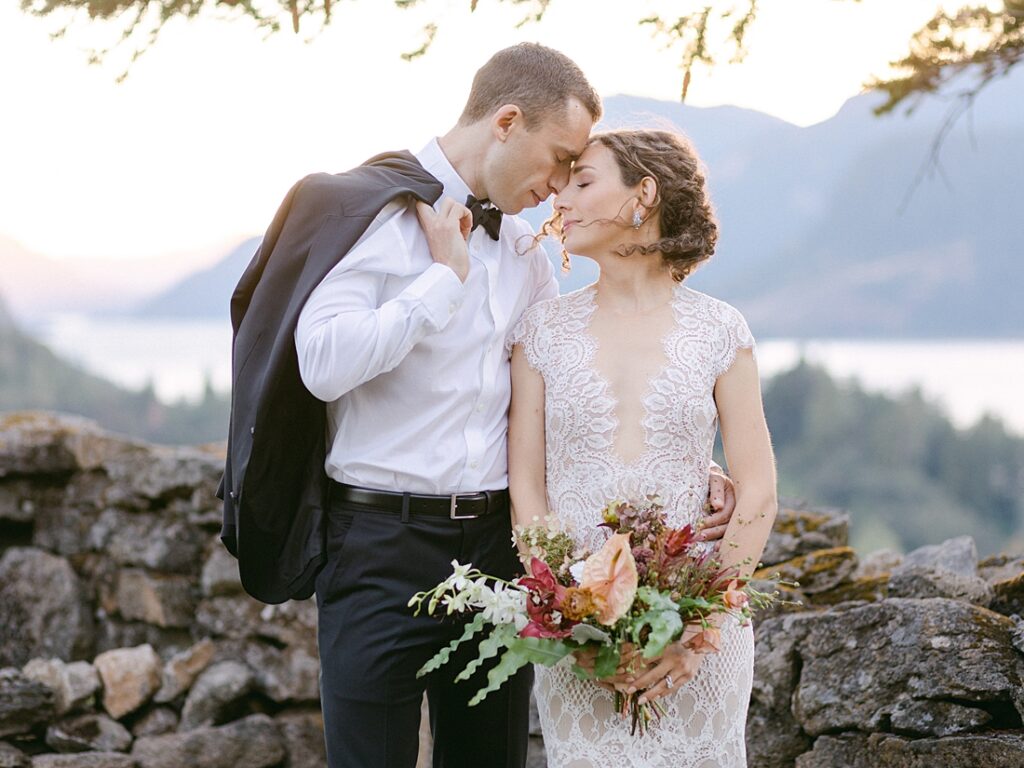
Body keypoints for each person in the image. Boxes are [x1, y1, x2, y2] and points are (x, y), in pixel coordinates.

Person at [224, 45, 738, 768]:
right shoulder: (365, 209)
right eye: (558, 159)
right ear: (505, 121)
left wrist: (692, 462)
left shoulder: (528, 245)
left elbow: (562, 386)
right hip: (376, 546)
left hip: (500, 554)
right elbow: (323, 365)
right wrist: (441, 283)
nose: (560, 185)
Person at [505, 129, 778, 767]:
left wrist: (698, 626)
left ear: (643, 194)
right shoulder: (540, 331)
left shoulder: (720, 329)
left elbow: (759, 490)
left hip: (699, 640)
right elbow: (527, 487)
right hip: (580, 644)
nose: (559, 201)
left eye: (583, 181)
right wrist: (569, 618)